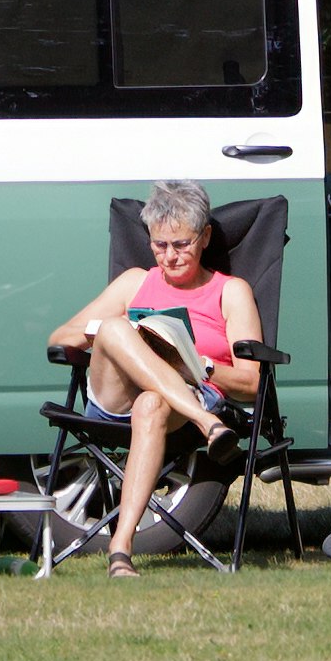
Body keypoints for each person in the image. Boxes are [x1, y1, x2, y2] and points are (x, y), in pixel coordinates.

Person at [45, 178, 262, 579]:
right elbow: (59, 338)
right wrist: (128, 338)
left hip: (181, 400)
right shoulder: (134, 282)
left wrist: (199, 364)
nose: (170, 257)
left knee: (151, 402)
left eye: (181, 245)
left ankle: (120, 548)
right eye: (159, 245)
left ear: (205, 237)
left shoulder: (230, 292)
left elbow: (252, 383)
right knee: (112, 328)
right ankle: (207, 423)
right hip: (118, 399)